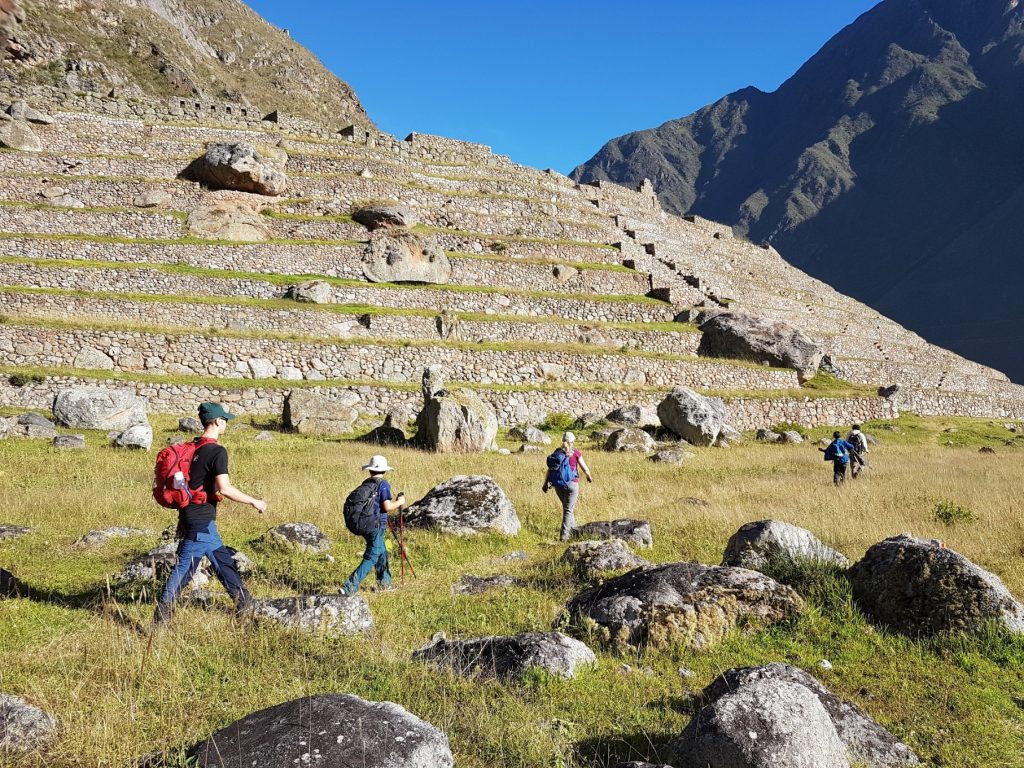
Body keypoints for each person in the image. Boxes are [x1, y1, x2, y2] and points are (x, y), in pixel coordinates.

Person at [153, 402, 267, 627]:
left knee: (222, 560)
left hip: (192, 514)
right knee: (184, 568)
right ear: (216, 421)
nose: (226, 423)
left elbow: (204, 485)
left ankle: (245, 603)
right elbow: (224, 488)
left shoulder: (194, 448)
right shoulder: (216, 451)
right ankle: (160, 620)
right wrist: (254, 501)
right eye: (224, 419)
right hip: (200, 519)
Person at [341, 455, 405, 594]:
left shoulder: (366, 483)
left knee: (381, 550)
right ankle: (349, 586)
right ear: (385, 471)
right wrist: (400, 502)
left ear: (370, 471)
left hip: (365, 524)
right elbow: (387, 507)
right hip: (375, 526)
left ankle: (385, 583)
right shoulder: (383, 485)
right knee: (372, 556)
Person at [543, 432, 593, 541]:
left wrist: (545, 484)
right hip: (572, 484)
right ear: (572, 442)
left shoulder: (557, 453)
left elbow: (550, 469)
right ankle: (564, 537)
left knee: (568, 508)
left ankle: (574, 531)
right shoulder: (575, 453)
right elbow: (584, 468)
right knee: (568, 510)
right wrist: (589, 476)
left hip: (558, 485)